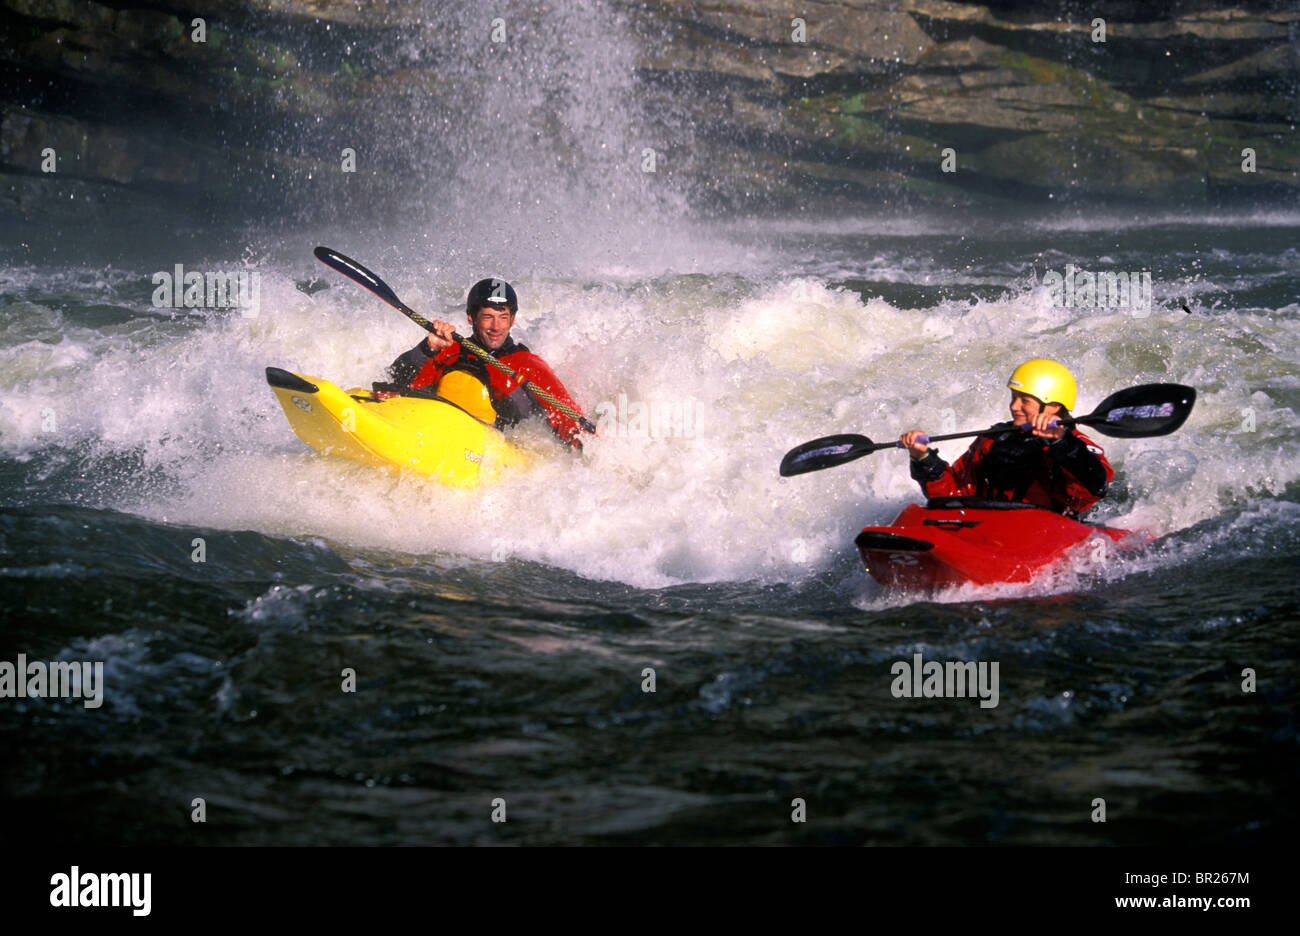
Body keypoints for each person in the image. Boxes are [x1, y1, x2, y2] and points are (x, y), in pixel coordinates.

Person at [386, 278, 586, 448]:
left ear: (512, 320)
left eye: (503, 317)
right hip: (439, 435)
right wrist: (427, 348)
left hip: (499, 450)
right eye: (488, 317)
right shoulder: (448, 349)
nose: (496, 326)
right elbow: (396, 381)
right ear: (471, 318)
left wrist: (588, 442)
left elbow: (566, 417)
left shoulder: (527, 364)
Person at [898, 359, 1113, 517]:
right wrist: (923, 458)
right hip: (991, 529)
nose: (1013, 407)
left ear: (1054, 406)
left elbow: (1096, 488)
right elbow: (954, 493)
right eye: (1013, 398)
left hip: (1047, 530)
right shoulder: (993, 440)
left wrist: (1061, 443)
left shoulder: (1075, 443)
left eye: (1024, 400)